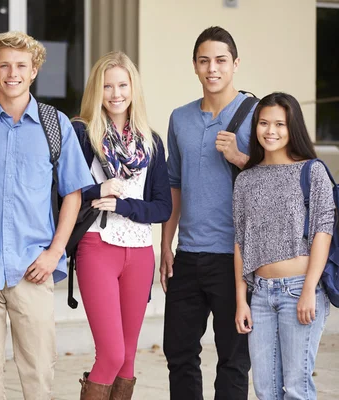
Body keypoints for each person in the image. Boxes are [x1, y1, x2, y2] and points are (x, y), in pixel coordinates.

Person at [0, 31, 93, 400]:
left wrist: (53, 253)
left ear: (33, 72)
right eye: (4, 66)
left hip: (33, 267)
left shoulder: (54, 125)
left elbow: (74, 195)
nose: (12, 73)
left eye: (21, 66)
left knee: (38, 369)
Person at [71, 51, 171, 399]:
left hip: (140, 252)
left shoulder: (151, 142)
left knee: (128, 360)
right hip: (97, 246)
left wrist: (124, 205)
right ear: (96, 90)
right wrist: (97, 189)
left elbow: (163, 207)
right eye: (107, 86)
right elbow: (62, 191)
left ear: (133, 88)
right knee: (111, 353)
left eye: (122, 85)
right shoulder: (81, 134)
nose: (115, 94)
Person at [160, 26, 254, 399]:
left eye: (220, 60)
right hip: (188, 255)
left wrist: (239, 158)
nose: (212, 68)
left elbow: (276, 178)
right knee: (179, 353)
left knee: (233, 358)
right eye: (204, 61)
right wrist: (166, 245)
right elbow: (173, 184)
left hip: (235, 258)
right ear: (195, 67)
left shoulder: (256, 114)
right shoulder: (179, 118)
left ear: (235, 64)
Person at [233, 92, 333, 399]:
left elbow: (322, 232)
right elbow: (240, 241)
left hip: (300, 289)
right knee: (265, 390)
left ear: (293, 128)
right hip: (260, 294)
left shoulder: (312, 171)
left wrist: (308, 291)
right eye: (264, 123)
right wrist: (241, 299)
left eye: (280, 124)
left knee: (297, 388)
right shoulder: (246, 179)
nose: (271, 131)